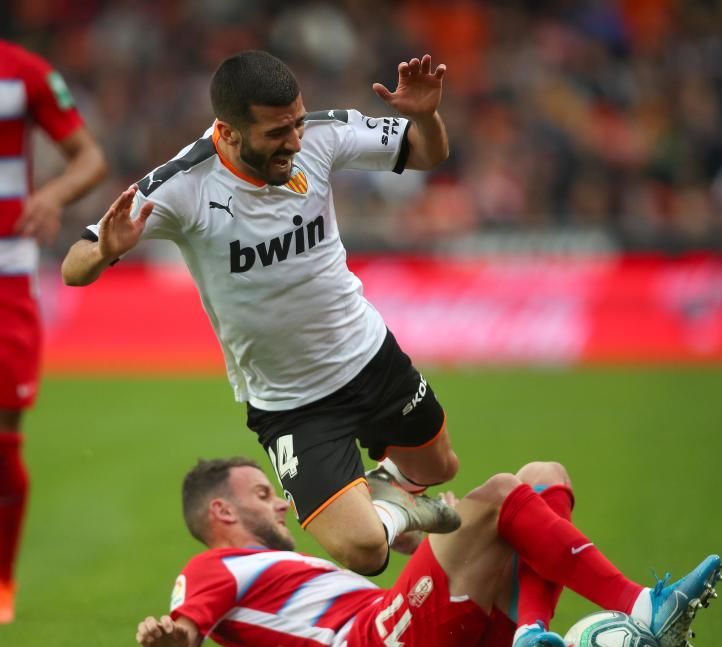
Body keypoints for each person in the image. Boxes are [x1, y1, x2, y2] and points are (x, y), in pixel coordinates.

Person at [61, 50, 459, 575]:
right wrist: (106, 249)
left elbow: (426, 154)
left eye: (296, 123)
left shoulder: (320, 135)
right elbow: (73, 266)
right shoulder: (183, 185)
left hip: (369, 355)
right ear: (227, 132)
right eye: (276, 133)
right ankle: (392, 514)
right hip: (291, 402)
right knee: (367, 553)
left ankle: (393, 499)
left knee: (440, 466)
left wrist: (425, 116)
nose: (294, 142)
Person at [135, 457, 722, 647]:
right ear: (223, 514)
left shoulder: (283, 565)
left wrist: (423, 531)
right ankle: (646, 607)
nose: (282, 505)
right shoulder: (212, 568)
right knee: (499, 494)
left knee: (543, 474)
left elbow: (407, 551)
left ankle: (530, 639)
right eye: (264, 495)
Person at [0, 40, 107, 623]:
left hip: (6, 276)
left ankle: (1, 582)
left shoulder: (24, 72)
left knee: (4, 438)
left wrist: (52, 194)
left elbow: (89, 157)